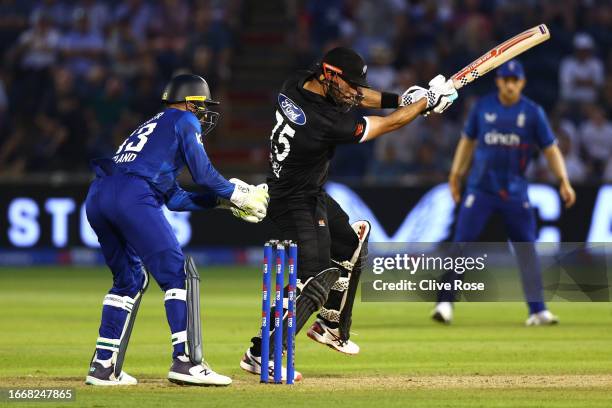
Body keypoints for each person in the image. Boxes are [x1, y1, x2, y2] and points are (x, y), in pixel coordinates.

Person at [239, 46, 458, 382]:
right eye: (349, 84)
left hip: (307, 193)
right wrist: (423, 105)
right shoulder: (323, 122)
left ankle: (331, 325)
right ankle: (261, 353)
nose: (354, 92)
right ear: (328, 74)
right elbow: (388, 125)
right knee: (317, 279)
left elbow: (362, 97)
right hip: (294, 202)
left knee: (353, 240)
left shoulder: (296, 82)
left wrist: (403, 98)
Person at [84, 74, 269, 386]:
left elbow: (175, 199)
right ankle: (186, 361)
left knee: (128, 280)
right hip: (133, 194)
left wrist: (222, 203)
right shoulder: (184, 120)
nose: (204, 114)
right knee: (177, 274)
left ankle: (103, 366)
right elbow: (205, 174)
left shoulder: (154, 127)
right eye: (201, 106)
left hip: (99, 193)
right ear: (189, 102)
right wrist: (238, 195)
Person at [432, 60, 576, 326]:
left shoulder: (532, 112)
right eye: (505, 80)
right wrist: (455, 175)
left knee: (526, 250)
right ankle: (445, 303)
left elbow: (550, 149)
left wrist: (563, 180)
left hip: (515, 192)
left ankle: (537, 310)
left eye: (515, 80)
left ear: (522, 83)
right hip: (480, 189)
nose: (510, 84)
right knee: (461, 245)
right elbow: (467, 142)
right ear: (498, 81)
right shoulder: (483, 107)